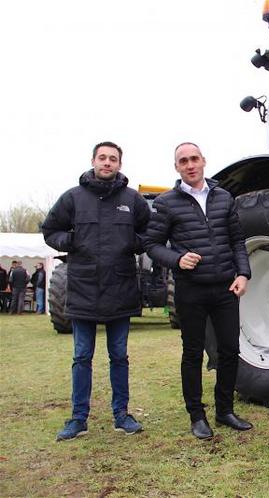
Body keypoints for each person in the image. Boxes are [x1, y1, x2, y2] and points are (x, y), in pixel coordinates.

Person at [42, 141, 151, 441]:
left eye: (113, 159)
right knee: (81, 356)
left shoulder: (133, 200)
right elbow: (50, 230)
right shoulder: (73, 199)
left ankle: (121, 415)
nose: (107, 163)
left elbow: (151, 232)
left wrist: (134, 243)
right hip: (83, 288)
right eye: (102, 158)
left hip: (121, 287)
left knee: (119, 355)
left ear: (119, 164)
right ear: (93, 161)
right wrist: (71, 242)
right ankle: (78, 419)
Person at [144, 142, 252, 440]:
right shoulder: (167, 203)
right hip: (190, 290)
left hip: (225, 287)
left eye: (194, 159)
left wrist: (243, 273)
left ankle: (225, 411)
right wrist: (177, 259)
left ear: (203, 161)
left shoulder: (224, 197)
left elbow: (237, 241)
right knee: (192, 353)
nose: (190, 165)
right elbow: (151, 246)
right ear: (176, 167)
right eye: (183, 161)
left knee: (229, 350)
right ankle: (197, 416)